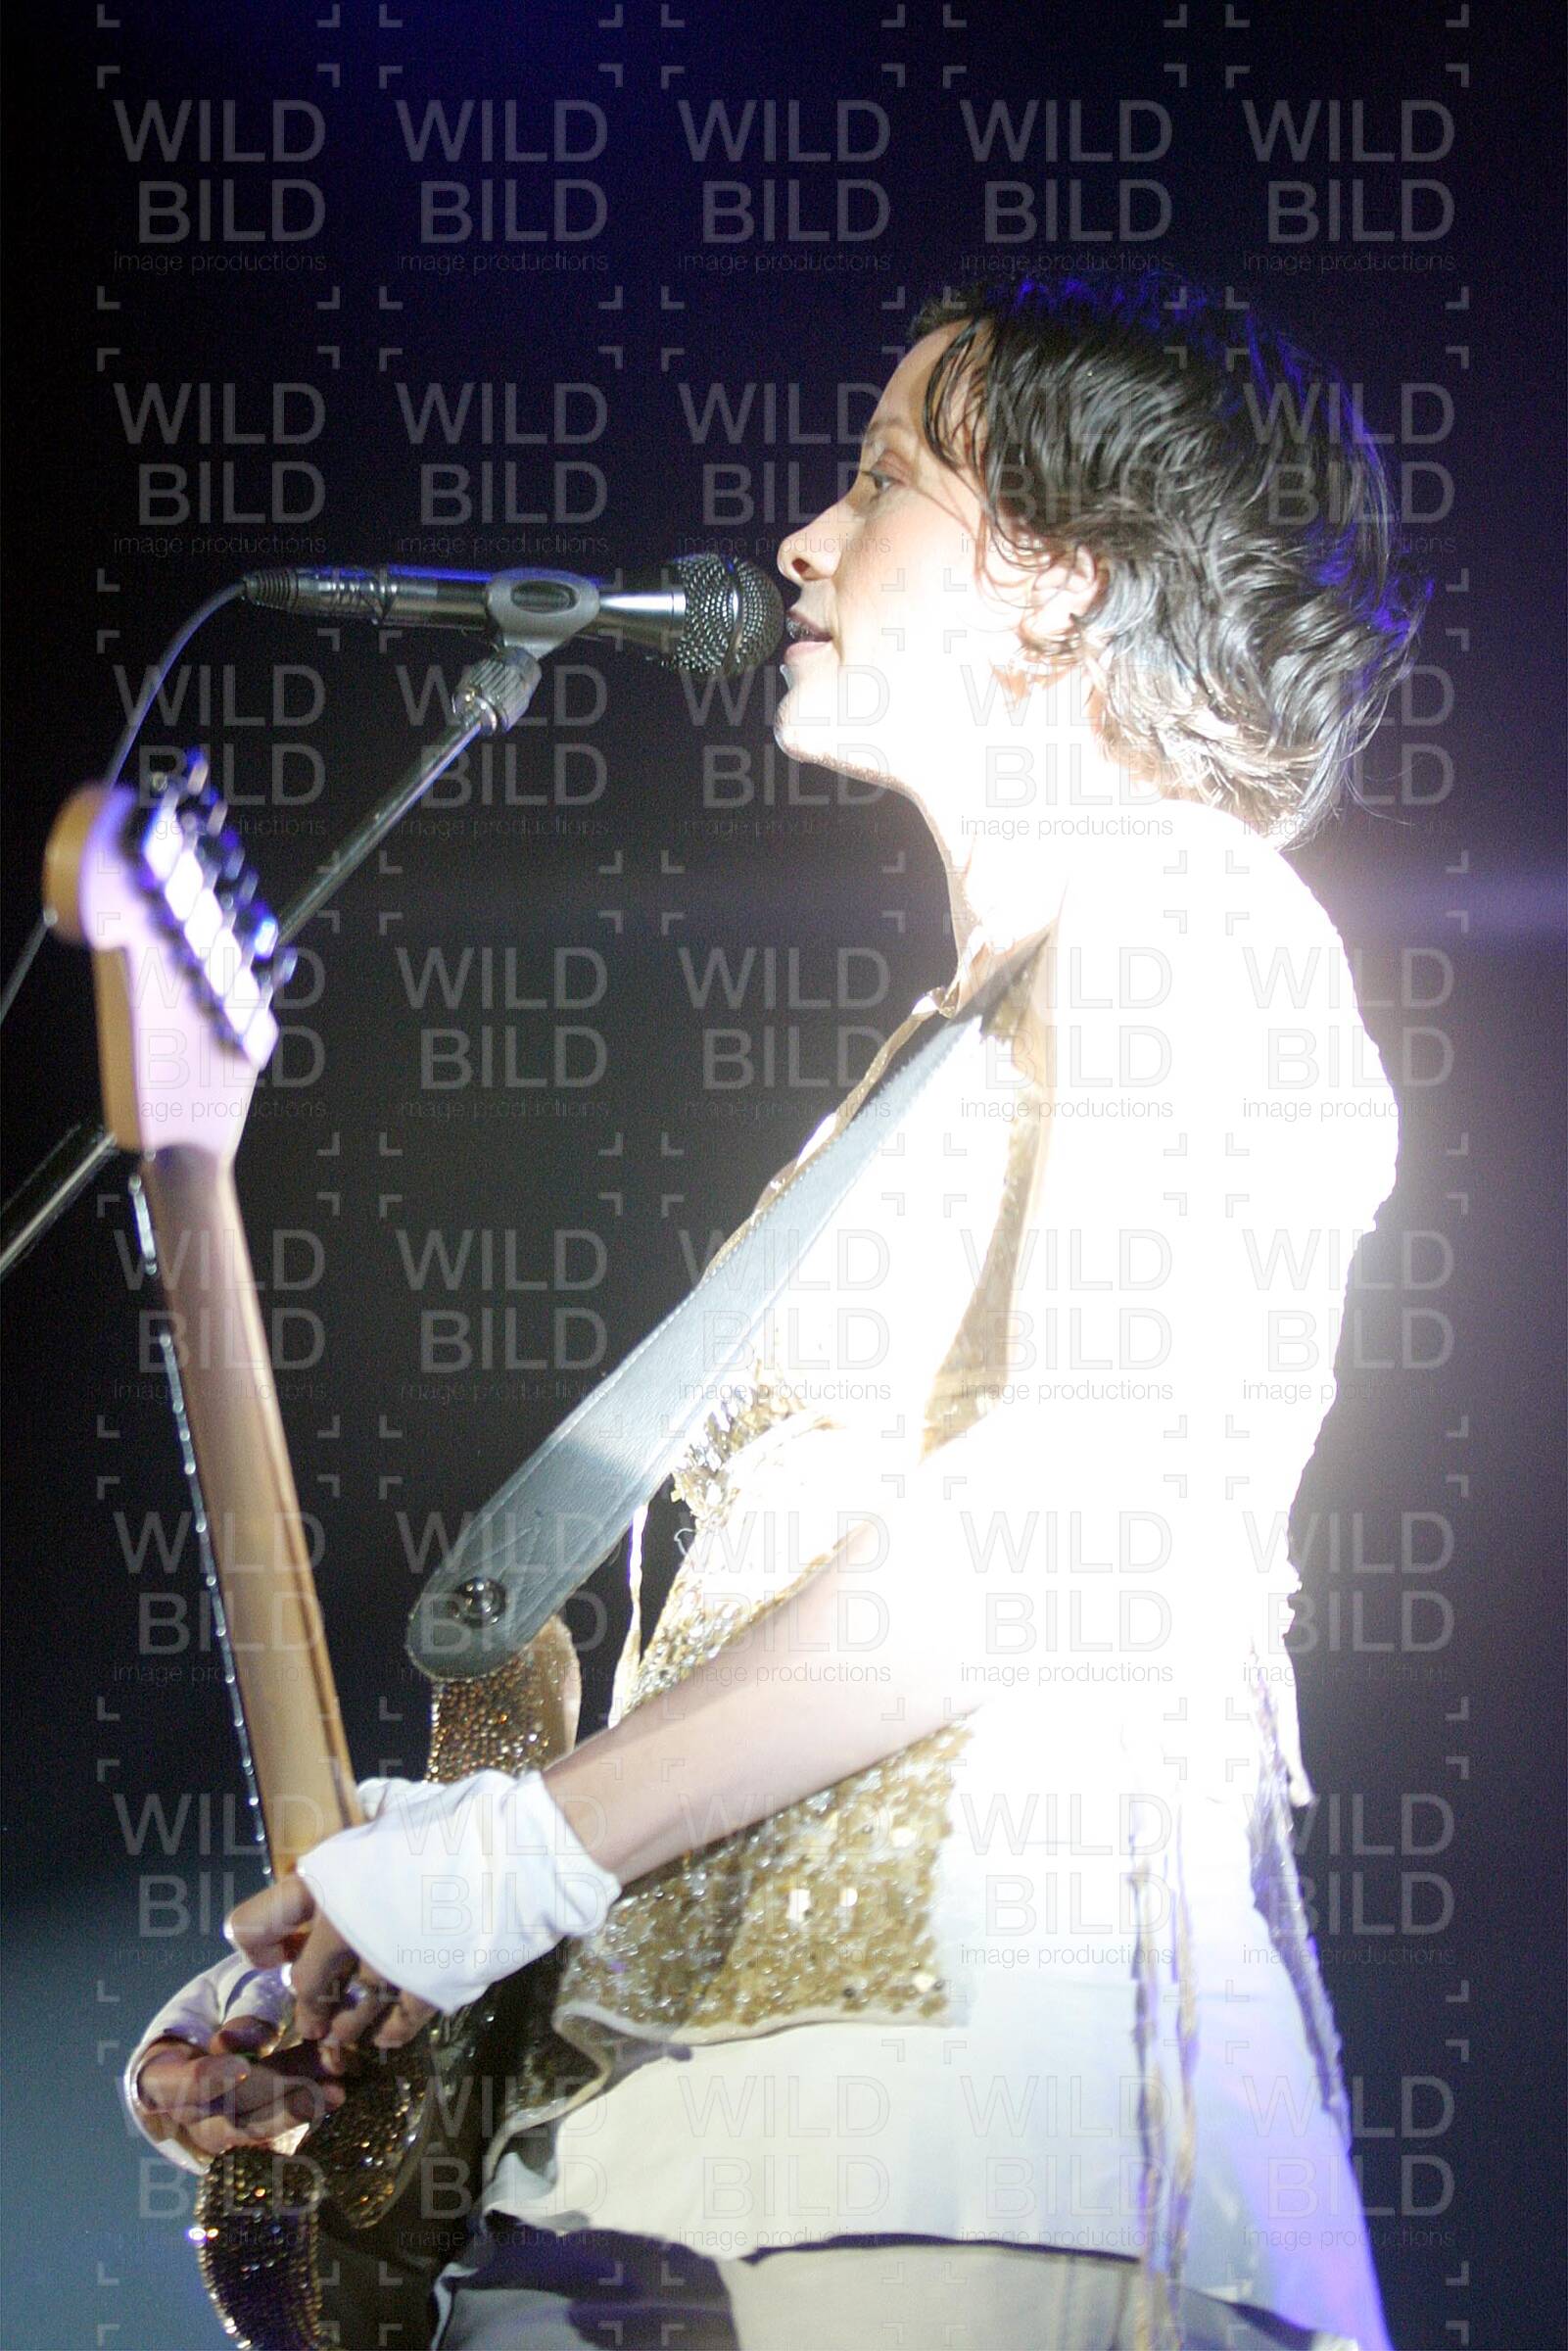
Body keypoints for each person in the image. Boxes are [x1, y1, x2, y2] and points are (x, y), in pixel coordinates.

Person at [124, 272, 1427, 2350]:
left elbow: (1084, 1517)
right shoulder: (930, 1060)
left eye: (885, 479)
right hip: (680, 2177)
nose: (806, 540)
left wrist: (500, 1870)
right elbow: (757, 1694)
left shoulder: (1195, 915)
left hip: (986, 2159)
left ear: (1063, 578)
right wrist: (377, 1932)